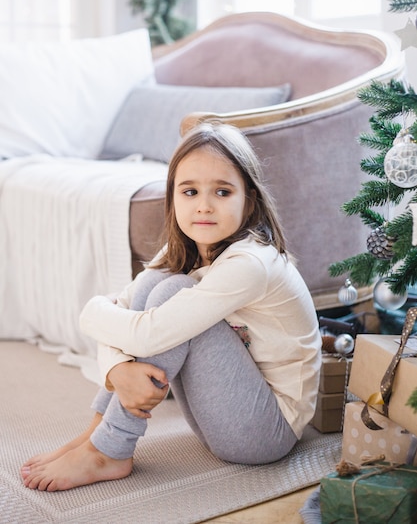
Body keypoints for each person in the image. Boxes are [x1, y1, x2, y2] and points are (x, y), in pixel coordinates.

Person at [21, 122, 321, 492]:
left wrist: (92, 312)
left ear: (250, 201)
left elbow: (141, 332)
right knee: (155, 283)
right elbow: (126, 311)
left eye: (223, 192)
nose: (204, 206)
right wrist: (117, 369)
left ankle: (110, 450)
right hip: (225, 413)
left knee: (171, 292)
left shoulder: (250, 263)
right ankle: (99, 433)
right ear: (173, 198)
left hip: (265, 432)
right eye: (190, 191)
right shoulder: (191, 246)